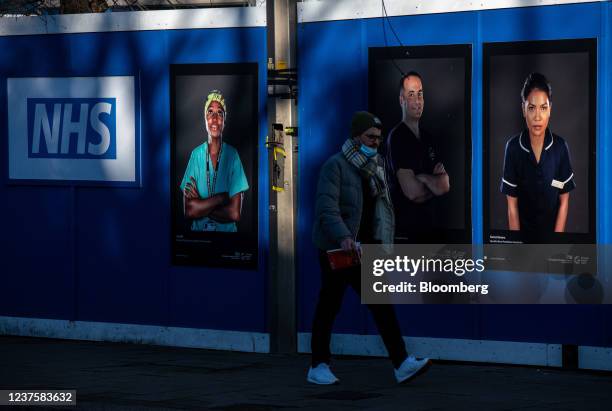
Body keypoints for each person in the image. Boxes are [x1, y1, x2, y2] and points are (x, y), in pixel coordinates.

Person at [308, 111, 431, 385]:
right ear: (356, 136)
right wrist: (343, 237)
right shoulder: (336, 166)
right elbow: (326, 209)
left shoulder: (374, 167)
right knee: (329, 306)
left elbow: (380, 210)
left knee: (381, 305)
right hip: (338, 250)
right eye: (370, 137)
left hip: (363, 250)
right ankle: (318, 365)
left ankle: (401, 364)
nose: (375, 142)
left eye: (378, 138)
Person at [500, 72, 575, 242]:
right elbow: (512, 206)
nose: (538, 116)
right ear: (523, 109)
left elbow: (564, 201)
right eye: (532, 108)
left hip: (552, 241)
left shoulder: (560, 147)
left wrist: (555, 245)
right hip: (523, 242)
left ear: (550, 109)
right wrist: (517, 247)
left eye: (543, 107)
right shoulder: (513, 148)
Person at [385, 71, 450, 242]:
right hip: (406, 235)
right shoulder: (398, 137)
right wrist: (433, 183)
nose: (417, 100)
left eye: (420, 94)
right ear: (402, 100)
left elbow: (444, 185)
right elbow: (413, 192)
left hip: (429, 231)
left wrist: (422, 178)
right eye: (411, 95)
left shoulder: (428, 137)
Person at [181, 90, 249, 232]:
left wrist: (201, 204)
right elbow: (189, 210)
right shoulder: (196, 155)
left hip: (227, 239)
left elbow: (234, 214)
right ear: (205, 118)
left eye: (220, 113)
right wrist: (219, 199)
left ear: (224, 120)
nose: (214, 118)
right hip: (199, 240)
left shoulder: (232, 155)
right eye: (210, 112)